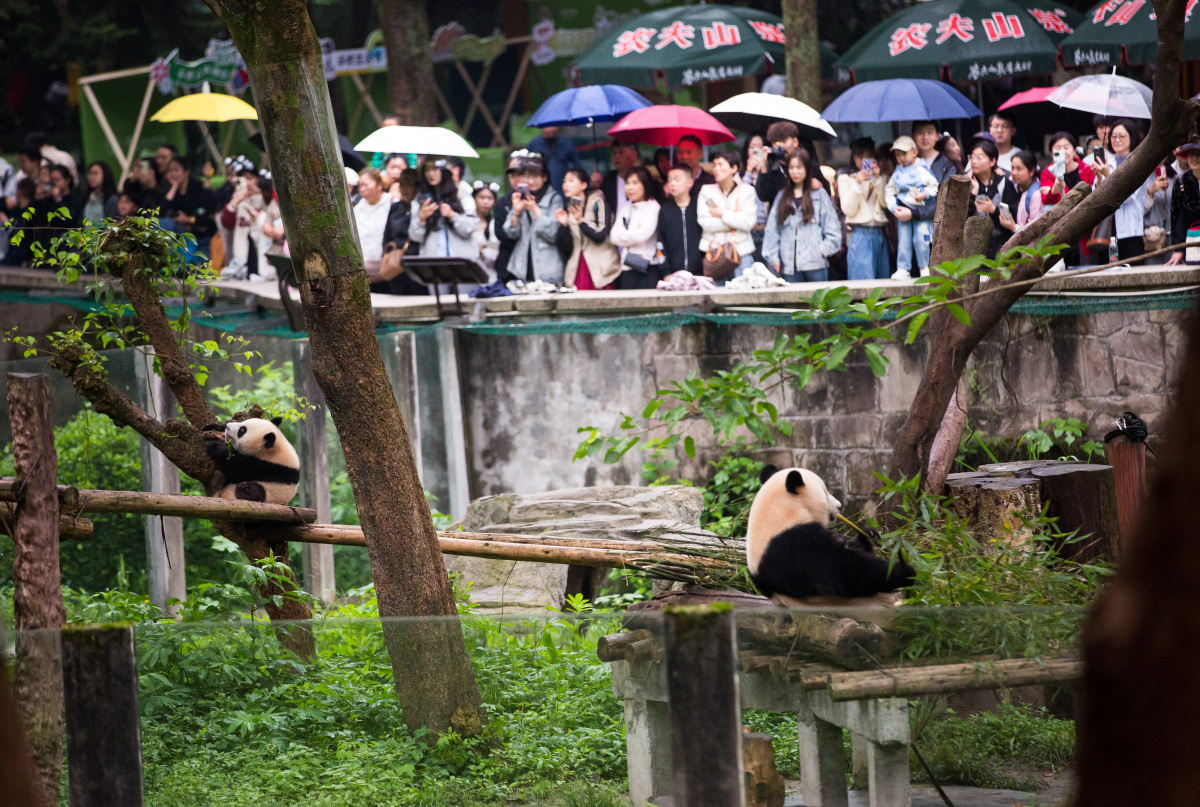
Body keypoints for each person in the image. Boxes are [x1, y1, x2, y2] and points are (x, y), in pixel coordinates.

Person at [763, 150, 842, 282]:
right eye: (791, 168)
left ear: (807, 168)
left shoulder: (819, 194)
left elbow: (833, 228)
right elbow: (772, 231)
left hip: (815, 264)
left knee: (819, 302)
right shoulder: (781, 197)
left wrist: (821, 251)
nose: (795, 172)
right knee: (793, 302)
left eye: (799, 167)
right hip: (789, 265)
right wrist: (773, 258)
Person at [1094, 119, 1153, 262]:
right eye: (1113, 136)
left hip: (1131, 230)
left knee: (1132, 273)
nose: (1117, 140)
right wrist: (1098, 178)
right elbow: (1096, 197)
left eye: (1121, 136)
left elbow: (1128, 196)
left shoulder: (1138, 164)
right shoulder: (1108, 163)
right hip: (1108, 229)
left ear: (1131, 138)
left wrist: (1108, 176)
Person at [502, 155, 564, 285]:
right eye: (526, 176)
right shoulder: (522, 197)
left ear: (545, 177)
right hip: (522, 268)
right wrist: (517, 211)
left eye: (535, 176)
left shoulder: (554, 199)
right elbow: (511, 233)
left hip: (548, 268)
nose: (530, 180)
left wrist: (534, 209)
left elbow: (553, 234)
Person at [697, 150, 758, 280]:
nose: (716, 169)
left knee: (744, 296)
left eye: (720, 165)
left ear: (733, 168)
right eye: (714, 165)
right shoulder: (706, 191)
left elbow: (748, 222)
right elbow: (705, 223)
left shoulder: (747, 191)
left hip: (742, 252)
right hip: (715, 254)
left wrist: (722, 214)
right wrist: (735, 221)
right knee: (716, 297)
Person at [410, 157, 480, 269]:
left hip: (462, 264)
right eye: (427, 170)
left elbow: (471, 227)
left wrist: (452, 215)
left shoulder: (462, 192)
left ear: (444, 170)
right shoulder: (420, 199)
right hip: (434, 264)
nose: (430, 174)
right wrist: (421, 218)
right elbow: (415, 236)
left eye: (435, 169)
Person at [557, 168, 620, 290]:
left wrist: (580, 220)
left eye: (571, 181)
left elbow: (600, 234)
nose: (566, 185)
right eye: (564, 182)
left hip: (601, 268)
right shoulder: (569, 208)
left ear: (583, 185)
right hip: (578, 266)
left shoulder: (598, 202)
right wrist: (565, 225)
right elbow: (566, 247)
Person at [885, 136, 938, 280]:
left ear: (914, 152)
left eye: (904, 153)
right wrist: (894, 207)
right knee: (903, 241)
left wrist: (925, 194)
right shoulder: (897, 174)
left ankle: (924, 266)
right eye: (897, 154)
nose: (901, 158)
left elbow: (935, 186)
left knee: (921, 239)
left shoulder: (921, 169)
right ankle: (903, 268)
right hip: (903, 211)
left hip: (920, 211)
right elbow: (889, 191)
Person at [838, 137, 890, 280]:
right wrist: (857, 183)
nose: (863, 160)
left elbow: (886, 204)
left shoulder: (881, 177)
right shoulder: (845, 178)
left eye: (868, 157)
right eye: (859, 156)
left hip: (880, 233)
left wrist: (878, 180)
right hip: (860, 233)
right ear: (853, 157)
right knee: (863, 283)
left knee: (883, 282)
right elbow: (848, 209)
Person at [610, 166, 662, 290]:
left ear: (645, 184)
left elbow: (642, 235)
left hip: (647, 268)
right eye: (627, 183)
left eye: (635, 183)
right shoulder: (626, 208)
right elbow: (613, 236)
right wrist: (632, 233)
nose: (630, 187)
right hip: (627, 267)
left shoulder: (653, 207)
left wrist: (624, 233)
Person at [968, 139, 1020, 258]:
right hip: (973, 246)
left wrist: (993, 210)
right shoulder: (965, 182)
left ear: (992, 161)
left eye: (979, 158)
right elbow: (960, 217)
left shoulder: (1003, 182)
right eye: (972, 157)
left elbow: (1012, 214)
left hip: (1001, 244)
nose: (974, 161)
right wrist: (973, 193)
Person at [658, 163, 703, 277]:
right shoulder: (665, 210)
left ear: (690, 182)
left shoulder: (699, 207)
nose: (672, 184)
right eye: (669, 180)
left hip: (701, 273)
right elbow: (660, 243)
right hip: (673, 275)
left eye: (677, 179)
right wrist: (665, 272)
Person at [1167, 142, 1200, 265]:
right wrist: (1179, 248)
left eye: (1198, 155)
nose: (1194, 159)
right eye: (1191, 155)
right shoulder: (1181, 182)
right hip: (1191, 241)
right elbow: (1177, 216)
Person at [741, 133, 771, 259]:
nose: (755, 150)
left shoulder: (770, 173)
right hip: (748, 232)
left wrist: (763, 172)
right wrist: (748, 172)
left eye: (759, 146)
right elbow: (739, 195)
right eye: (752, 146)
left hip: (767, 229)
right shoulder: (740, 176)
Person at [527, 126, 582, 194]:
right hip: (542, 190)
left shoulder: (566, 142)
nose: (550, 128)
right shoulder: (534, 144)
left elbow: (577, 166)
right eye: (547, 125)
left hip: (563, 187)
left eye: (552, 125)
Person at [598, 141, 644, 215]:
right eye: (614, 153)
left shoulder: (644, 179)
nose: (617, 156)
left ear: (634, 155)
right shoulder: (608, 180)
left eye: (621, 153)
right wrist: (595, 185)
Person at [1002, 151, 1043, 230]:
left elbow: (1035, 229)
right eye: (1012, 168)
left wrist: (1014, 227)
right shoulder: (1012, 183)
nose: (1014, 173)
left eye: (1019, 169)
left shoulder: (1036, 194)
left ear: (1031, 171)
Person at [472, 181, 501, 278]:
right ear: (474, 198)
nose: (486, 201)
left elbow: (495, 253)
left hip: (488, 275)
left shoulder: (494, 224)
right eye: (482, 197)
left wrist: (482, 252)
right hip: (466, 276)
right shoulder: (466, 222)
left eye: (490, 198)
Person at [81, 161, 119, 226]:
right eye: (90, 173)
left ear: (105, 175)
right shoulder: (86, 197)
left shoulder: (112, 200)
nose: (91, 177)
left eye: (95, 173)